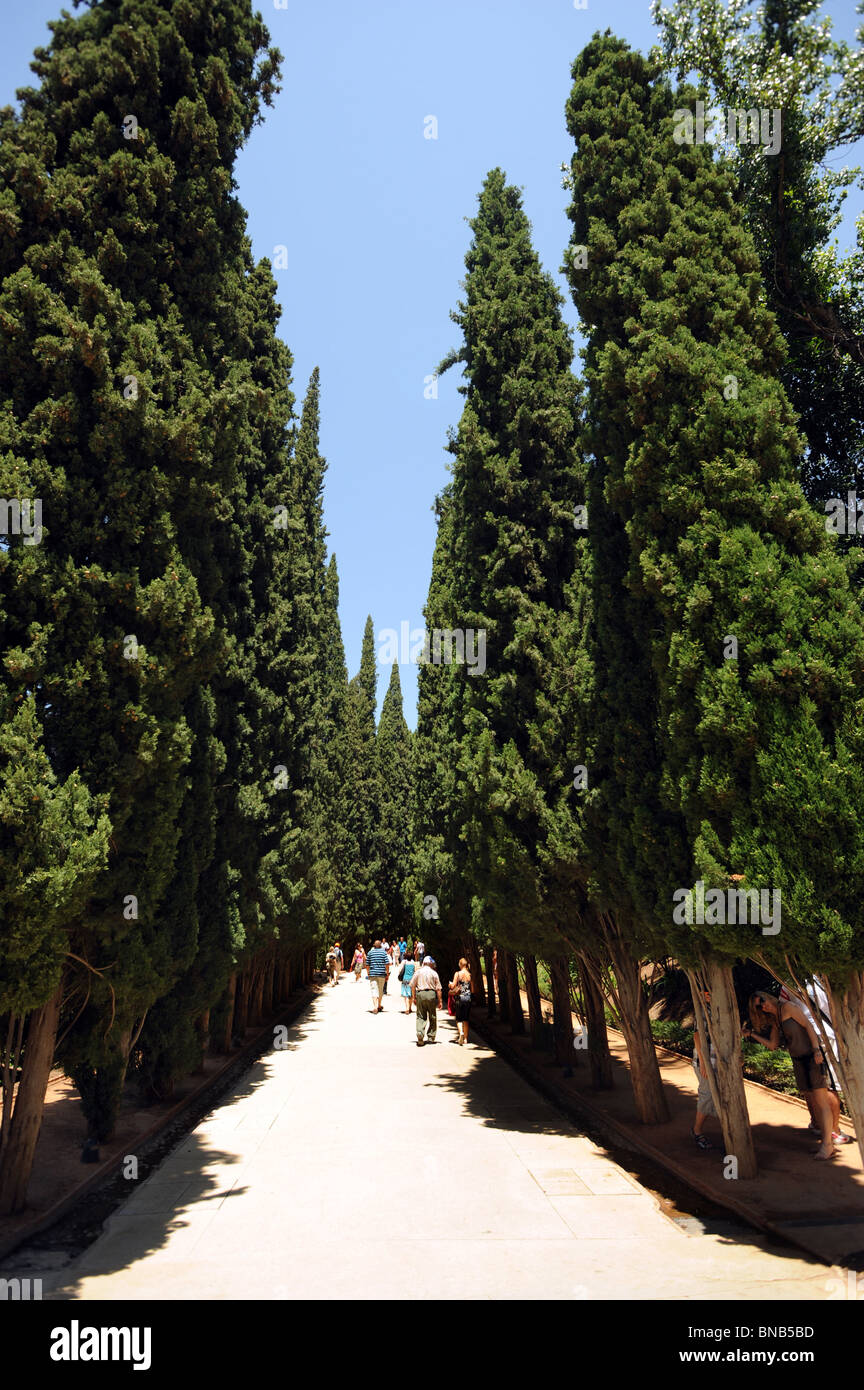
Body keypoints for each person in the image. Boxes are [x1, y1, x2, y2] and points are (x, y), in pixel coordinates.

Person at [744, 991, 838, 1160]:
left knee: (822, 1100)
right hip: (798, 1061)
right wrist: (752, 1034)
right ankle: (825, 1143)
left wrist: (817, 1050)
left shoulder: (788, 1007)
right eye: (759, 1006)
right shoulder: (776, 1020)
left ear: (768, 996)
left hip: (811, 1058)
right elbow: (773, 1045)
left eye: (762, 1000)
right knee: (815, 1102)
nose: (763, 1005)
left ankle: (828, 1145)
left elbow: (809, 1027)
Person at [691, 988, 719, 1150]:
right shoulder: (703, 1010)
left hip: (717, 1061)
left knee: (714, 1095)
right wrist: (703, 1062)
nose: (708, 995)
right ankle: (697, 1131)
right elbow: (697, 1035)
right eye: (705, 992)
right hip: (707, 1061)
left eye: (710, 992)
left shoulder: (719, 1008)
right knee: (707, 1094)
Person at [411, 955, 442, 1045]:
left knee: (420, 1015)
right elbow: (438, 988)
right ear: (429, 964)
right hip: (431, 994)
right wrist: (439, 1001)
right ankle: (431, 1037)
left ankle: (420, 1033)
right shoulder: (434, 973)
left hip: (420, 993)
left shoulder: (418, 972)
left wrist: (414, 997)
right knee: (432, 1016)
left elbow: (412, 985)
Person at [449, 958, 472, 1045]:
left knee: (458, 1018)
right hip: (468, 998)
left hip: (459, 998)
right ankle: (465, 1039)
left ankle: (461, 1033)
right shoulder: (469, 974)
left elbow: (453, 986)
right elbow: (472, 988)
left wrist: (450, 985)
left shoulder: (457, 974)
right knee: (466, 1019)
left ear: (460, 964)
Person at [366, 939, 390, 1013]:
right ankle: (379, 1005)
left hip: (373, 974)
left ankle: (375, 1006)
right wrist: (387, 973)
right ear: (380, 946)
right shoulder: (383, 953)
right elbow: (387, 964)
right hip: (381, 974)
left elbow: (367, 964)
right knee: (380, 990)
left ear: (374, 945)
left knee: (374, 990)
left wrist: (368, 973)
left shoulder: (370, 953)